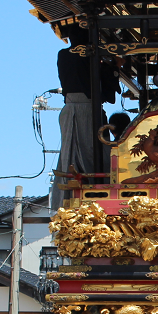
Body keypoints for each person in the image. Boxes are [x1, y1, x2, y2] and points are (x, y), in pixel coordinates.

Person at [52, 26, 120, 211]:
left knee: (70, 154)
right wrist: (111, 65)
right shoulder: (91, 54)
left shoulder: (63, 55)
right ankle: (101, 184)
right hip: (88, 108)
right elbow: (107, 80)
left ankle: (68, 194)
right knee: (93, 149)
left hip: (69, 108)